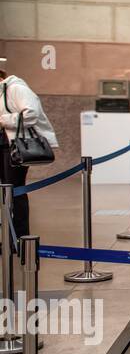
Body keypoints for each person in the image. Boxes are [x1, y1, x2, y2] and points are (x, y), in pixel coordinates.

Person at [0, 58, 59, 239]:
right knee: (5, 191)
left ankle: (19, 236)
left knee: (15, 190)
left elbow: (31, 114)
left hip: (14, 148)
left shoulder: (16, 88)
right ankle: (8, 235)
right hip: (3, 145)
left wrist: (3, 120)